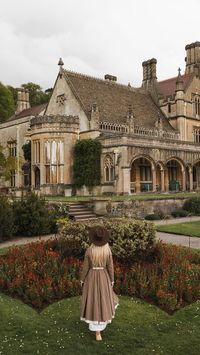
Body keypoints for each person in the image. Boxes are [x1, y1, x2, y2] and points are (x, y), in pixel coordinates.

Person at [80, 226, 119, 341]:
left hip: (91, 277)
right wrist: (112, 280)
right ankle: (99, 330)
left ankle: (97, 331)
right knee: (103, 300)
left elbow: (85, 268)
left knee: (93, 300)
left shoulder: (89, 250)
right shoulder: (107, 250)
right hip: (103, 277)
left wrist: (82, 279)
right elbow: (110, 267)